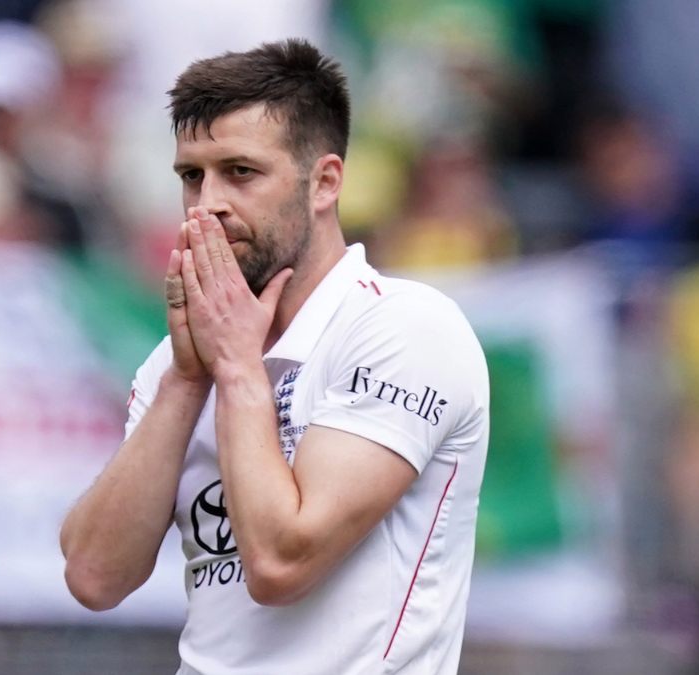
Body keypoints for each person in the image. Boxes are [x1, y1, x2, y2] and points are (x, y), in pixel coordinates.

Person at [60, 39, 489, 674]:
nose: (208, 204)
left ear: (325, 182)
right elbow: (94, 577)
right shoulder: (182, 360)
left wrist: (235, 369)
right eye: (190, 176)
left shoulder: (404, 326)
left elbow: (281, 564)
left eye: (241, 171)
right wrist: (185, 379)